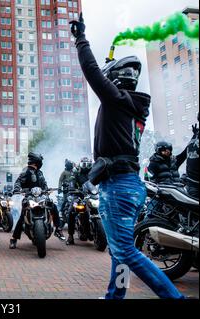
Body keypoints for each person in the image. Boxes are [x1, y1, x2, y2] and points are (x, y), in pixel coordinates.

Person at [70, 14, 184, 299]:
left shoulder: (117, 100)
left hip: (119, 186)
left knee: (125, 250)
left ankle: (174, 297)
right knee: (120, 250)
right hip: (129, 185)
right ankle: (115, 296)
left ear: (115, 78)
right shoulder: (131, 106)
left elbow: (92, 73)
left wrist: (81, 39)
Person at [9, 152, 65, 249]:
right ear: (37, 162)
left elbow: (44, 184)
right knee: (23, 215)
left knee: (53, 206)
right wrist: (17, 189)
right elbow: (18, 182)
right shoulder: (25, 171)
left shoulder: (40, 173)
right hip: (29, 197)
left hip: (41, 196)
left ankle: (58, 229)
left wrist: (47, 190)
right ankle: (14, 239)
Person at [66, 157, 93, 245]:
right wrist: (72, 187)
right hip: (78, 196)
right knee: (71, 212)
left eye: (88, 164)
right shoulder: (76, 172)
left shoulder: (93, 173)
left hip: (92, 195)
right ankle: (70, 236)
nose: (86, 167)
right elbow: (71, 181)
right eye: (84, 164)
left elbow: (99, 182)